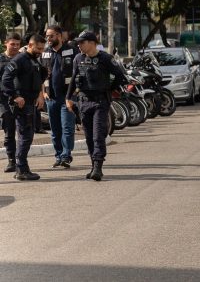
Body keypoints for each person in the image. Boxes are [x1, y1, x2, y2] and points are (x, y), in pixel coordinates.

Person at [65, 31, 126, 181]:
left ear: (92, 43)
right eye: (78, 43)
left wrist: (109, 89)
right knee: (89, 137)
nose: (79, 45)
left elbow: (120, 76)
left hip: (100, 101)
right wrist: (68, 98)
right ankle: (93, 165)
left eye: (82, 42)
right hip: (83, 101)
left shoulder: (105, 58)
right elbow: (73, 79)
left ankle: (98, 167)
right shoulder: (78, 58)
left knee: (98, 134)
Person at [1, 34, 47, 180]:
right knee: (24, 136)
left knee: (27, 136)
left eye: (42, 48)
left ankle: (22, 168)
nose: (41, 51)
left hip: (29, 102)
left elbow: (38, 77)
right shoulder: (20, 59)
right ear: (31, 45)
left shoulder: (32, 60)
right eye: (38, 48)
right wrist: (15, 96)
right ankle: (21, 169)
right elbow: (6, 79)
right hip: (21, 103)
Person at [41, 25, 80, 169]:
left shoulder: (72, 51)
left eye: (51, 36)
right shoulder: (45, 53)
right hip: (51, 98)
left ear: (59, 36)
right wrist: (43, 92)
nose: (48, 39)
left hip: (67, 97)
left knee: (67, 128)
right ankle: (58, 156)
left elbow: (78, 74)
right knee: (55, 130)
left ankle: (66, 155)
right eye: (47, 36)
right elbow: (42, 74)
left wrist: (74, 94)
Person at [0, 33, 23, 173]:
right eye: (12, 44)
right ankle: (11, 161)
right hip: (4, 100)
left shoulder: (23, 59)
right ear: (5, 43)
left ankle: (22, 160)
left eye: (17, 44)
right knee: (9, 130)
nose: (15, 47)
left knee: (24, 131)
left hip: (22, 99)